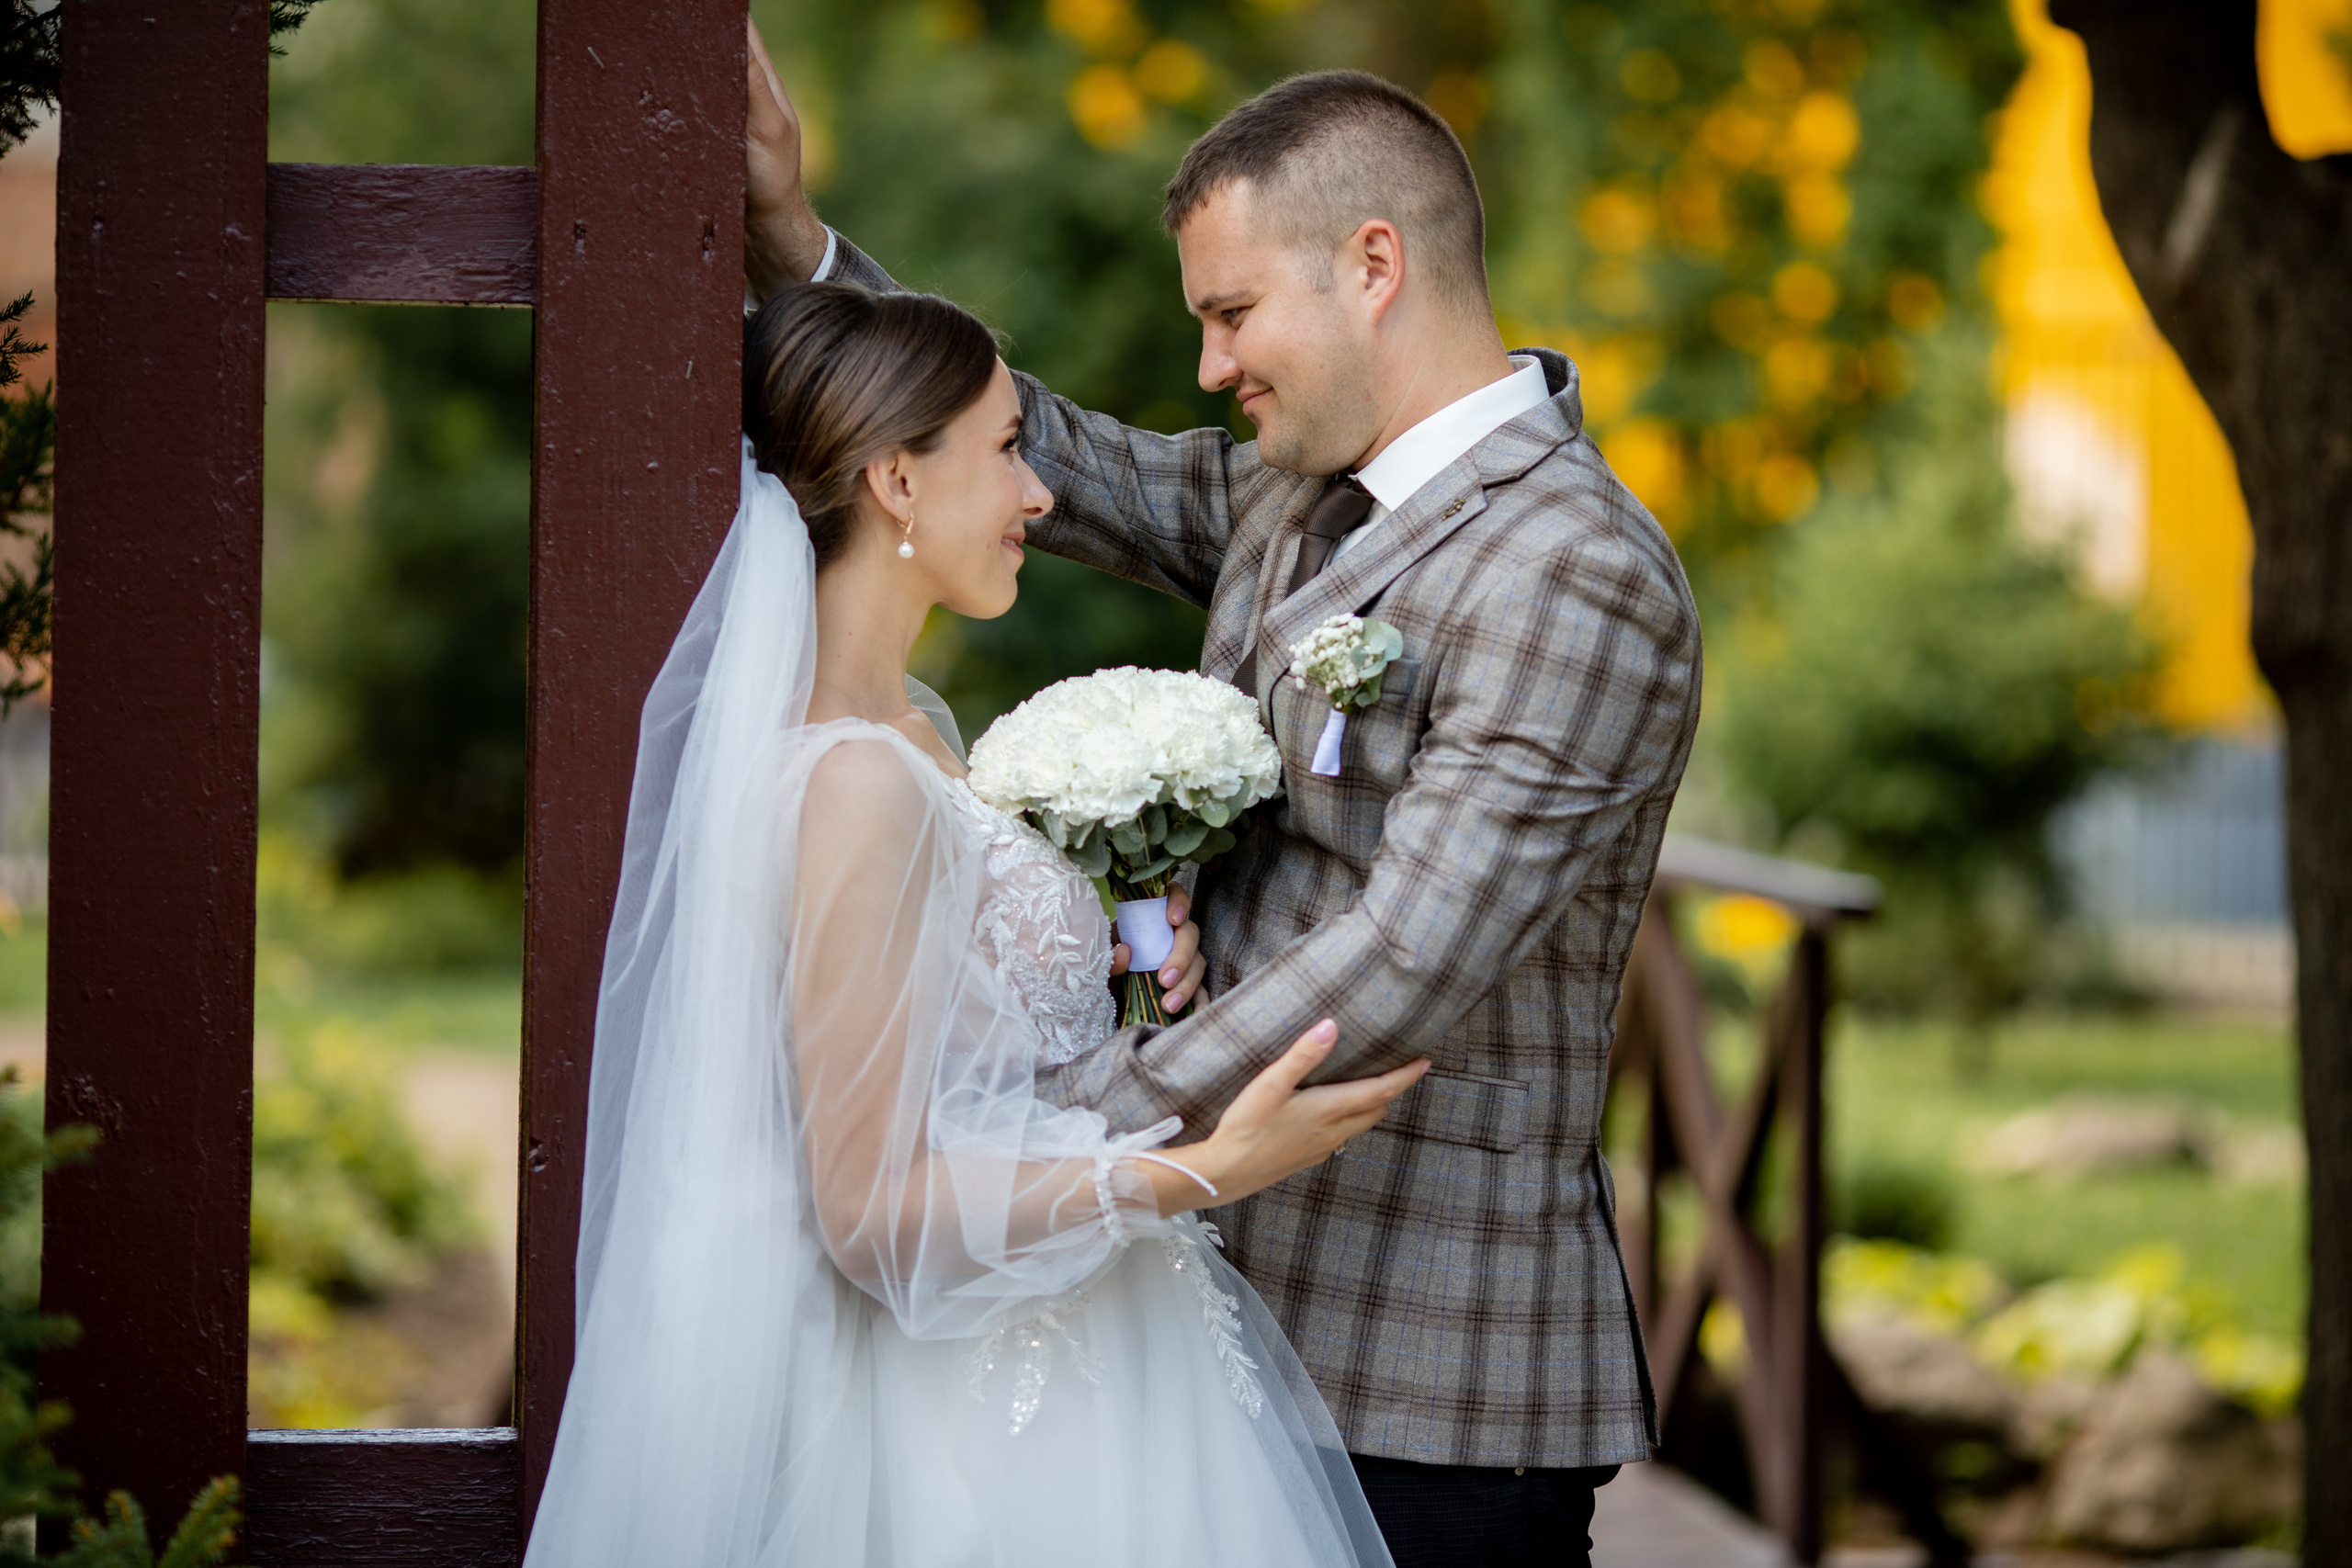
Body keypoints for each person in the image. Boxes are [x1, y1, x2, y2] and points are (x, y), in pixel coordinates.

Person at [745, 28, 1704, 1568]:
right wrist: (795, 240)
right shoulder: (1292, 486)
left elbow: (1403, 957)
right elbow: (1008, 451)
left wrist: (1054, 1133)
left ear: (1373, 266)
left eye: (1233, 313)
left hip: (1423, 1374)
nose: (1210, 365)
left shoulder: (1574, 571)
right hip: (1195, 1318)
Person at [520, 279, 1428, 1568]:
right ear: (897, 481)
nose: (1040, 495)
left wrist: (1130, 965)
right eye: (1007, 449)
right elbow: (867, 1208)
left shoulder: (911, 735)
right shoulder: (854, 781)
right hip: (967, 1433)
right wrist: (1203, 1171)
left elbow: (973, 1064)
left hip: (1076, 1356)